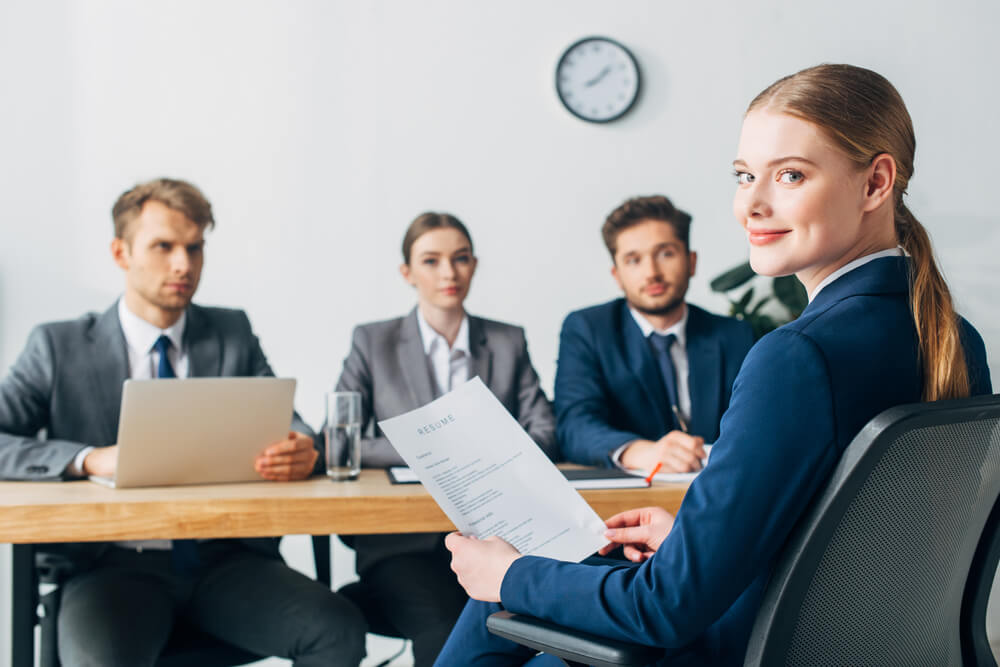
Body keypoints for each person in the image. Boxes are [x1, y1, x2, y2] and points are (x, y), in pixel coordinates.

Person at [435, 64, 993, 666]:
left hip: (744, 648)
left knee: (501, 592)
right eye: (744, 175)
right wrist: (689, 542)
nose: (751, 204)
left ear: (875, 183)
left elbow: (662, 608)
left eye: (790, 175)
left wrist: (510, 575)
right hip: (856, 647)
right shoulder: (955, 339)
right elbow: (859, 554)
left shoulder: (797, 358)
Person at [0, 178, 366, 667]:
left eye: (195, 248)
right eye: (164, 247)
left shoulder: (233, 332)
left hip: (225, 561)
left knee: (337, 630)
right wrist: (86, 458)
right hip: (111, 567)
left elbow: (290, 421)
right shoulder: (57, 346)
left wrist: (303, 446)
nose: (184, 264)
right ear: (120, 253)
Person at [331, 212, 557, 666]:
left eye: (460, 259)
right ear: (407, 272)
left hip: (499, 535)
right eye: (431, 261)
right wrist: (439, 453)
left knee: (538, 626)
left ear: (474, 264)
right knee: (445, 624)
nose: (448, 273)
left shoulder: (507, 341)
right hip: (403, 542)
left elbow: (546, 433)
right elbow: (340, 442)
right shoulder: (373, 341)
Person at [556, 195, 754, 473]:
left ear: (691, 261)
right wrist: (642, 453)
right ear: (617, 274)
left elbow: (755, 424)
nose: (652, 273)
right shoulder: (587, 330)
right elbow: (574, 425)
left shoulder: (735, 335)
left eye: (666, 254)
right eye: (634, 260)